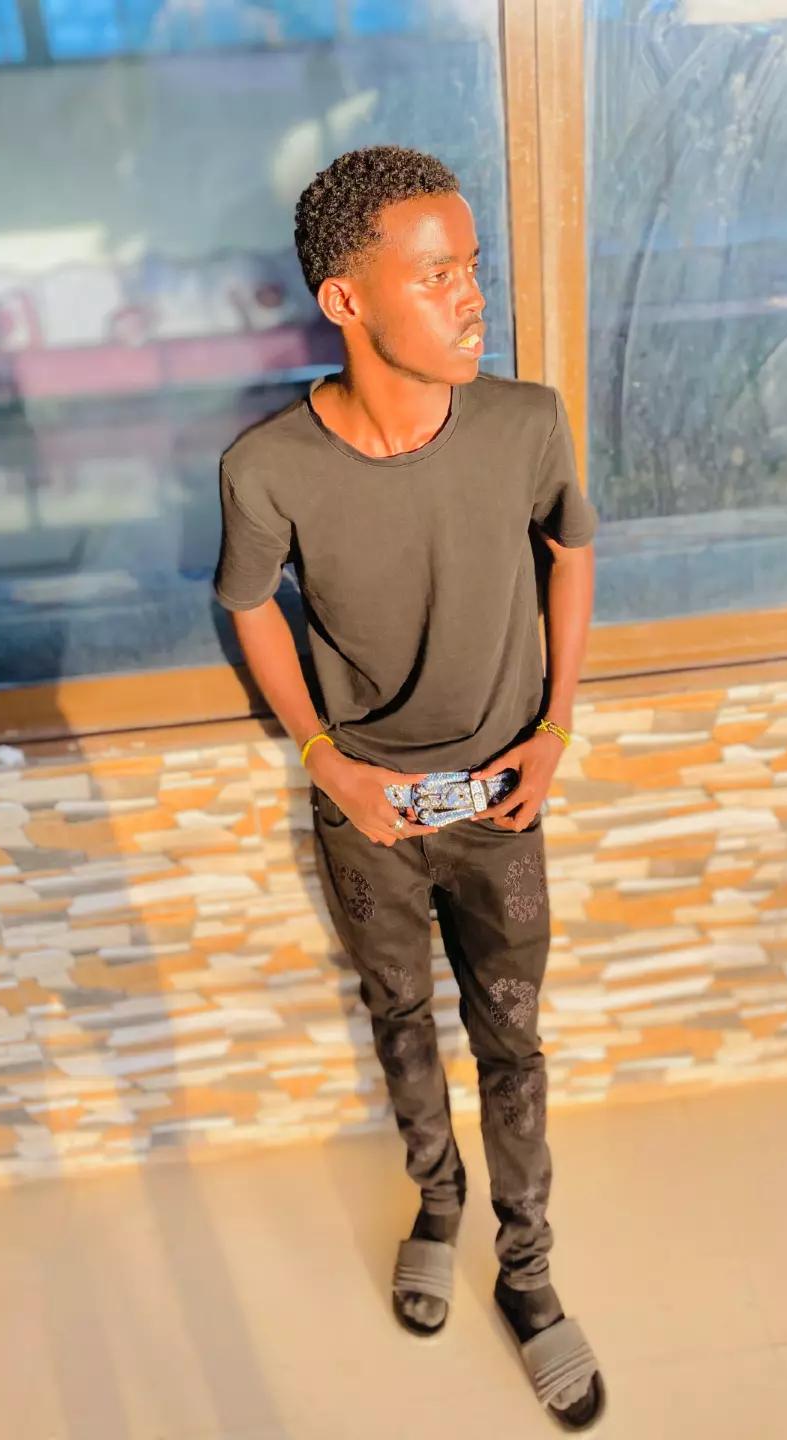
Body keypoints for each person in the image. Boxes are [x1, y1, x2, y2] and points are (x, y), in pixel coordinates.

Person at [214, 145, 605, 1430]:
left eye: (472, 268)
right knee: (398, 1019)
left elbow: (572, 550)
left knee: (512, 1042)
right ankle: (437, 1206)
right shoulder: (266, 467)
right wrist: (323, 757)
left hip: (500, 807)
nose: (471, 296)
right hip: (368, 819)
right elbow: (249, 605)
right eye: (435, 274)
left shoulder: (526, 421)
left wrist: (555, 727)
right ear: (346, 299)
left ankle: (528, 1272)